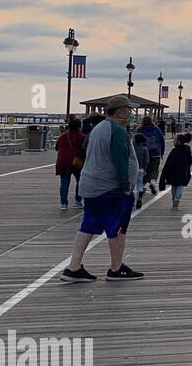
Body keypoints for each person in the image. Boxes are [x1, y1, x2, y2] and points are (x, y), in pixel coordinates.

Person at [60, 99, 143, 282]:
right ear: (121, 112)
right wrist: (126, 187)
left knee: (88, 225)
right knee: (117, 228)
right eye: (130, 111)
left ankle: (73, 267)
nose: (132, 114)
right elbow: (120, 162)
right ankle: (116, 268)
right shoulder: (117, 131)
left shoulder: (98, 128)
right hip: (110, 189)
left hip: (91, 186)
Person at [54, 117, 86, 211]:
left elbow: (57, 148)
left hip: (63, 162)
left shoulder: (63, 136)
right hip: (77, 162)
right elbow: (85, 149)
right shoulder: (82, 137)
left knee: (64, 183)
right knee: (80, 181)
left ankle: (63, 203)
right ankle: (77, 200)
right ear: (79, 127)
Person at [159, 133, 192, 209]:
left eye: (174, 140)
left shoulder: (174, 151)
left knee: (173, 186)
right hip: (183, 171)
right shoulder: (187, 149)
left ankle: (174, 198)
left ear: (178, 142)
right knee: (180, 185)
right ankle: (177, 197)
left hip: (173, 172)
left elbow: (168, 162)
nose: (173, 141)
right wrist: (187, 168)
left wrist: (165, 172)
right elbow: (190, 160)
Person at [139, 115, 165, 197]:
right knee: (154, 169)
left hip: (143, 154)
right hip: (156, 153)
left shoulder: (140, 130)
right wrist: (161, 153)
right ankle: (153, 182)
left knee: (144, 169)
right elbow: (162, 141)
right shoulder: (156, 129)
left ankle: (142, 186)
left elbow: (135, 142)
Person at [132, 133, 150, 210]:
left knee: (132, 185)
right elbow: (147, 160)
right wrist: (145, 169)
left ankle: (132, 200)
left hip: (132, 168)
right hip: (140, 169)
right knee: (140, 184)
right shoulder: (144, 149)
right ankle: (139, 197)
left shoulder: (131, 149)